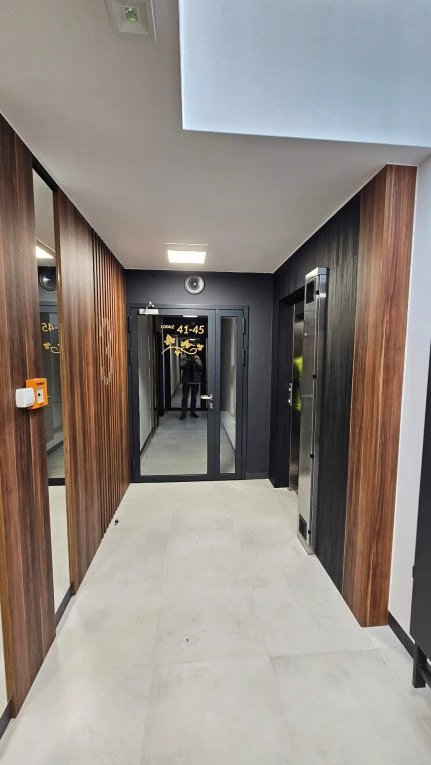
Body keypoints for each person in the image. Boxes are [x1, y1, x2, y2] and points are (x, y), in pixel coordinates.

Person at [179, 348, 202, 420]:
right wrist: (187, 362)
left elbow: (201, 368)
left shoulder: (197, 357)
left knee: (194, 397)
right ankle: (183, 414)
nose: (191, 353)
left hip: (195, 380)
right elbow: (181, 367)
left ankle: (193, 412)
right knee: (185, 397)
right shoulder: (184, 357)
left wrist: (195, 361)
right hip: (186, 380)